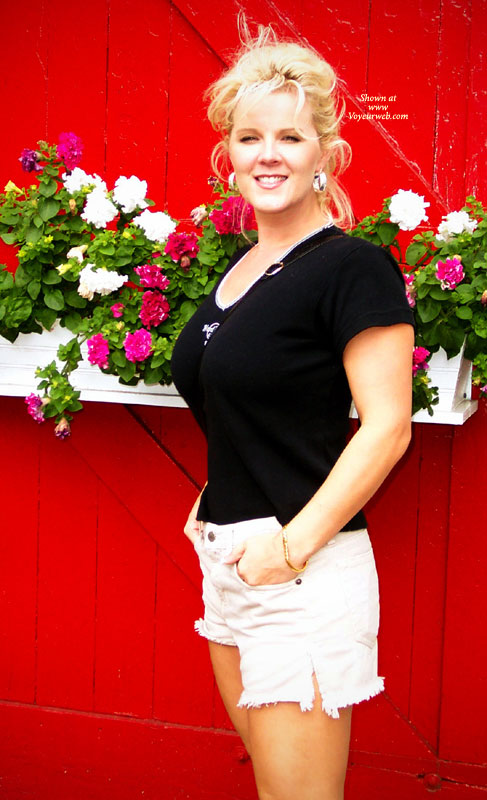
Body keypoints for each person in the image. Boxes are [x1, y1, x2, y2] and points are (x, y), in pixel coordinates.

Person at [171, 21, 414, 800]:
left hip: (300, 572)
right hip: (229, 564)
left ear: (324, 155)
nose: (267, 154)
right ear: (228, 154)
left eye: (289, 137)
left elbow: (387, 426)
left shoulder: (353, 268)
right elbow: (250, 401)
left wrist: (291, 548)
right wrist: (217, 491)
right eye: (249, 137)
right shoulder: (241, 269)